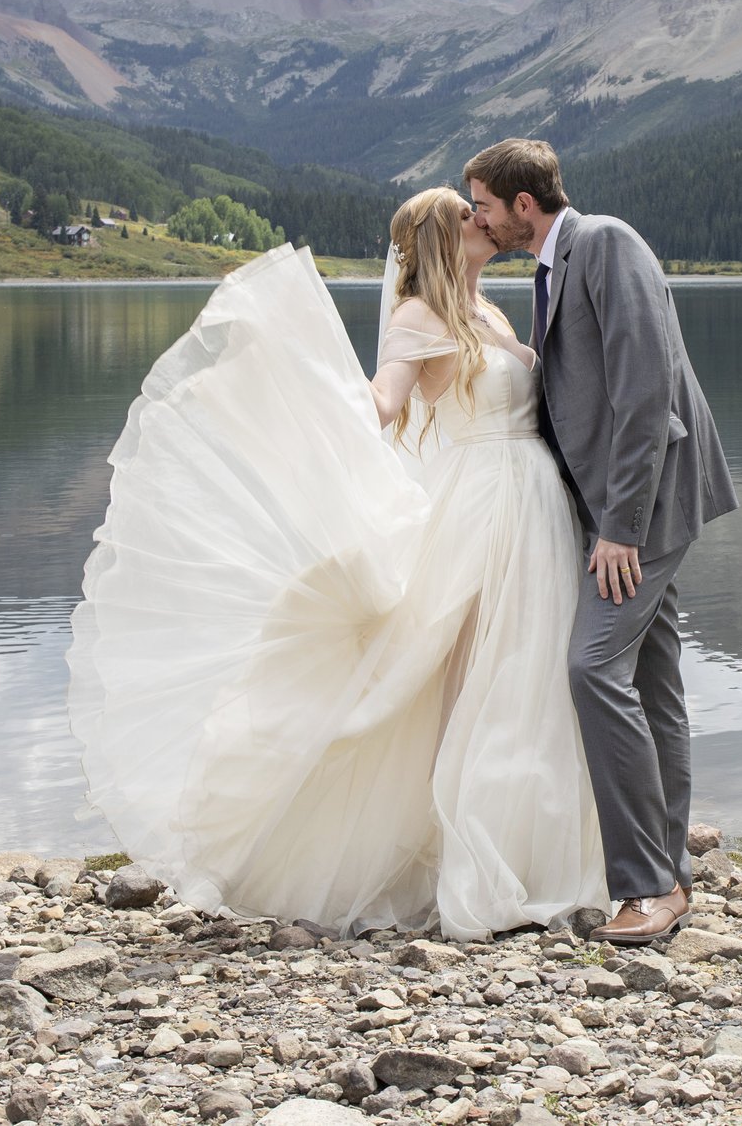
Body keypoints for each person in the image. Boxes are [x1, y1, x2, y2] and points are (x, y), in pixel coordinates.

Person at [67, 187, 604, 939]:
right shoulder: (418, 317)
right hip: (482, 507)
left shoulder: (493, 313)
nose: (484, 220)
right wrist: (297, 379)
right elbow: (384, 404)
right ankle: (475, 864)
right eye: (466, 215)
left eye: (481, 211)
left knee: (528, 676)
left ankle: (536, 852)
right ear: (439, 238)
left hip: (534, 507)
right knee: (473, 681)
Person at [463, 137, 737, 947]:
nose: (475, 216)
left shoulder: (605, 243)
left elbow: (646, 391)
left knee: (592, 667)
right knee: (653, 679)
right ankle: (672, 875)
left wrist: (620, 524)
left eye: (481, 203)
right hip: (615, 504)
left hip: (645, 505)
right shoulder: (552, 268)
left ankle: (646, 883)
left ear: (522, 205)